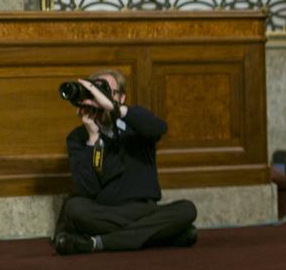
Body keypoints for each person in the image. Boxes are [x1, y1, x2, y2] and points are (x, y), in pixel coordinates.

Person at [53, 69, 198, 255]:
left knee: (187, 209)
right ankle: (157, 235)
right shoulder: (78, 138)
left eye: (104, 92)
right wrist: (93, 139)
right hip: (104, 213)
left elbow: (159, 128)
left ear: (121, 98)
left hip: (142, 210)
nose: (98, 99)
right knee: (74, 209)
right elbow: (87, 189)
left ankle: (94, 243)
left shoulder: (135, 124)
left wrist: (114, 109)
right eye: (94, 93)